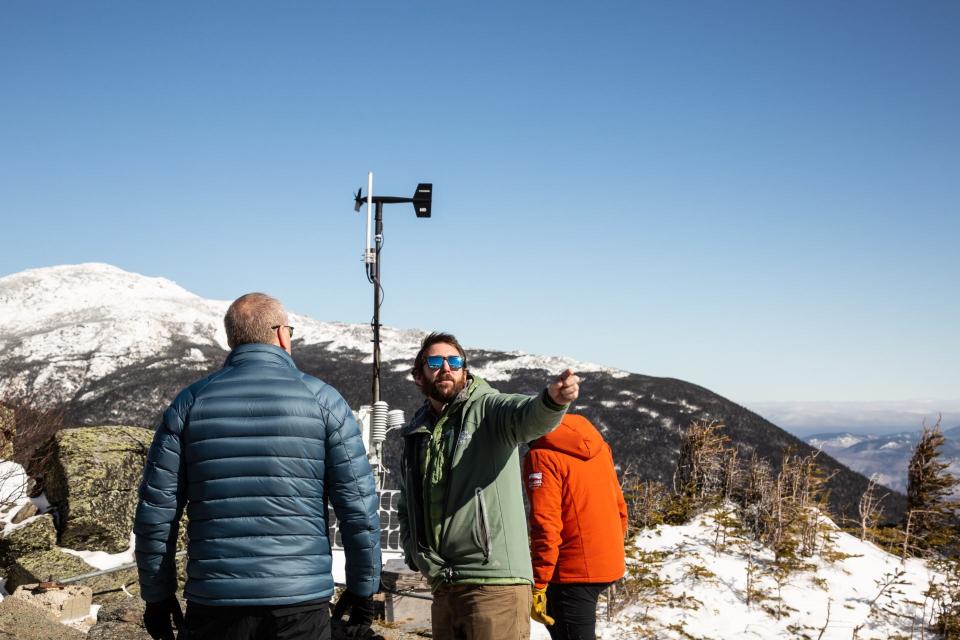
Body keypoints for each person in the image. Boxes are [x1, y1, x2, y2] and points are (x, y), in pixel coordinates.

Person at [133, 292, 381, 640]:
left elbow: (156, 512)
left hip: (214, 602)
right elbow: (358, 509)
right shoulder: (324, 401)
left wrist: (157, 596)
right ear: (281, 333)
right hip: (299, 600)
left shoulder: (189, 403)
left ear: (232, 339)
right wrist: (363, 588)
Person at [397, 332, 580, 640]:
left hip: (495, 585)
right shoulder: (418, 432)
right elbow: (407, 504)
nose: (446, 368)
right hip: (444, 584)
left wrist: (552, 402)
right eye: (435, 362)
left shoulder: (487, 410)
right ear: (419, 376)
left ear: (465, 370)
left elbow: (525, 416)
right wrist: (415, 553)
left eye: (454, 361)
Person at [524, 413, 627, 640]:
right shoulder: (598, 445)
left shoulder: (541, 456)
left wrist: (539, 583)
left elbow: (546, 526)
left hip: (572, 573)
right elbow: (620, 506)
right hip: (607, 561)